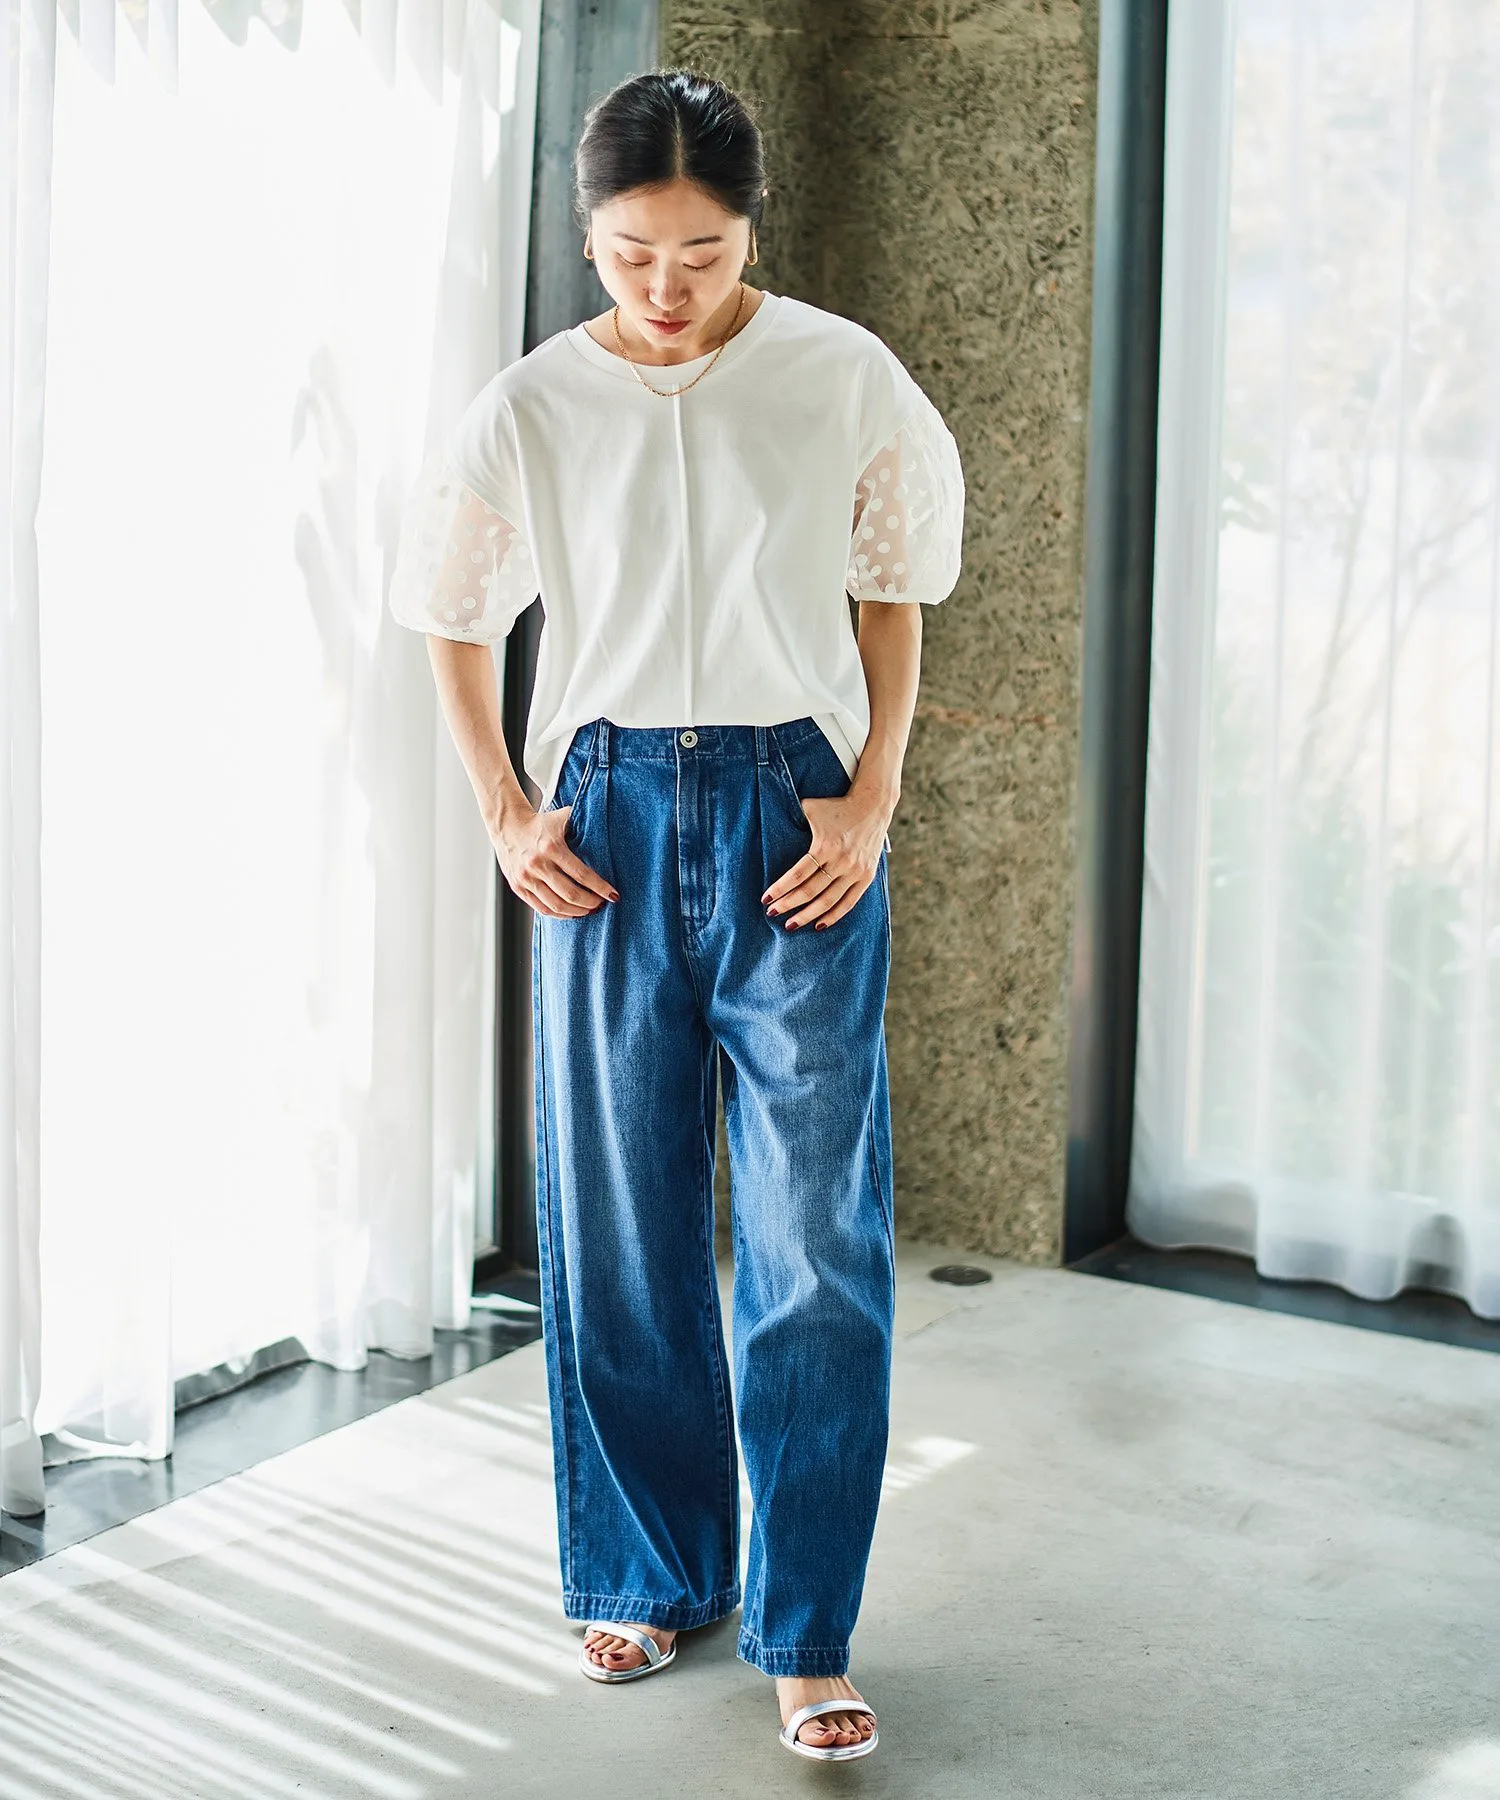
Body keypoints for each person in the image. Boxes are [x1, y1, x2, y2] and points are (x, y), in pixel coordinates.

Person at [388, 67, 964, 1763]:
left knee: (814, 1239)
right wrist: (506, 810)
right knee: (621, 1222)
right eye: (634, 252)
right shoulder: (529, 406)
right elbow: (452, 615)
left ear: (748, 233)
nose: (666, 285)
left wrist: (872, 796)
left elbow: (891, 593)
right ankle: (649, 1569)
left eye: (701, 252)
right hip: (610, 816)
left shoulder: (840, 374)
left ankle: (806, 1631)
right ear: (590, 235)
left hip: (798, 811)